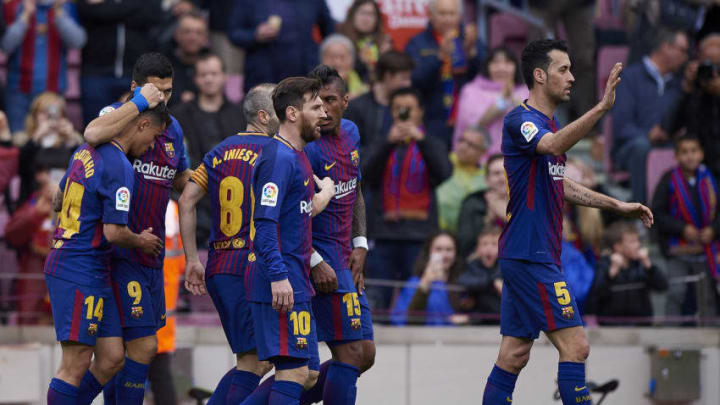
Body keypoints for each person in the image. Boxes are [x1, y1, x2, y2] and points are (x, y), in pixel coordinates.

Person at [481, 39, 653, 405]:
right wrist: (602, 108)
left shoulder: (547, 123)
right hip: (531, 254)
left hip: (530, 253)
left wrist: (616, 205)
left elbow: (560, 181)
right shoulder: (521, 120)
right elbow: (553, 146)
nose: (572, 77)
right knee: (576, 345)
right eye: (564, 69)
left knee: (514, 355)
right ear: (540, 75)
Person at [179, 81, 334, 405]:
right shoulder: (274, 154)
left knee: (279, 365)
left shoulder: (220, 152)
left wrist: (193, 258)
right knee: (269, 365)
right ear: (267, 116)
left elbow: (187, 199)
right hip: (256, 262)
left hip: (221, 262)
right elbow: (272, 220)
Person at [82, 53, 193, 405]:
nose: (163, 99)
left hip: (152, 254)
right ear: (136, 88)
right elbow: (91, 137)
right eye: (156, 92)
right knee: (141, 347)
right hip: (118, 251)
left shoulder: (172, 128)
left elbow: (180, 179)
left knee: (127, 354)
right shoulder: (115, 118)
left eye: (168, 92)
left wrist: (219, 178)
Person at [43, 104, 167, 405]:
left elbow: (59, 199)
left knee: (112, 357)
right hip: (78, 267)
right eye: (154, 136)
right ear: (141, 124)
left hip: (92, 266)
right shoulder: (120, 166)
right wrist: (141, 241)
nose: (152, 145)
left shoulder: (85, 150)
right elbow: (114, 233)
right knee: (75, 362)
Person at [219, 76, 328, 405]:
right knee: (293, 372)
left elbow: (296, 217)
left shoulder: (299, 156)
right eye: (316, 106)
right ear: (293, 114)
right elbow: (264, 225)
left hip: (296, 276)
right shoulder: (278, 159)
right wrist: (279, 276)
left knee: (307, 373)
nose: (324, 113)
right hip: (278, 278)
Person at [293, 64, 375, 404]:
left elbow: (354, 188)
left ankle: (279, 398)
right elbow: (291, 214)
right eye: (316, 102)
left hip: (346, 255)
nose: (323, 110)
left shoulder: (352, 133)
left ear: (345, 100)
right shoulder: (304, 148)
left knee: (364, 353)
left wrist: (360, 242)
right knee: (352, 352)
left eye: (329, 100)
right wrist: (313, 260)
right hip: (319, 258)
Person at [362, 87, 452, 312]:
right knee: (378, 297)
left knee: (416, 295)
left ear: (420, 112)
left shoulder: (431, 142)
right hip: (383, 234)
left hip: (420, 235)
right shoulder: (381, 141)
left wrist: (421, 140)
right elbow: (363, 174)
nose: (403, 114)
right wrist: (387, 143)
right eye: (397, 109)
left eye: (408, 109)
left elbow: (444, 172)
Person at [172, 53, 246, 249]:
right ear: (196, 79)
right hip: (195, 191)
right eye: (203, 74)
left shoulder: (241, 114)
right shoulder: (179, 114)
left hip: (237, 193)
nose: (209, 79)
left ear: (224, 76)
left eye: (214, 73)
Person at [612, 27, 688, 204]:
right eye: (682, 50)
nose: (685, 57)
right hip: (630, 148)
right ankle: (641, 212)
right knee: (642, 146)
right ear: (665, 47)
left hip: (667, 142)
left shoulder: (678, 84)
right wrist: (648, 134)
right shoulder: (630, 77)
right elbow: (621, 125)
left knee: (690, 148)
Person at [652, 135, 720, 325]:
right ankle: (670, 336)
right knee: (677, 292)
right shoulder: (669, 179)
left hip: (707, 249)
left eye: (694, 151)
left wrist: (713, 230)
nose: (690, 156)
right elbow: (657, 213)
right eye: (684, 152)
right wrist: (682, 229)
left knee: (707, 295)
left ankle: (711, 339)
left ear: (701, 154)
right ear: (676, 156)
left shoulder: (711, 178)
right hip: (677, 249)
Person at [405, 0, 485, 145]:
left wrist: (472, 53)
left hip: (466, 121)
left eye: (451, 13)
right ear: (431, 15)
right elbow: (414, 81)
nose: (447, 18)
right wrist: (439, 57)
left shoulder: (469, 39)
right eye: (442, 13)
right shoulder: (417, 43)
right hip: (431, 120)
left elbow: (486, 78)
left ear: (459, 16)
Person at [1, 0, 87, 132]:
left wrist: (59, 15)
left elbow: (78, 41)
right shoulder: (13, 5)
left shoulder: (65, 6)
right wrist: (25, 15)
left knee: (51, 140)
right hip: (18, 90)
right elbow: (6, 45)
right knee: (18, 139)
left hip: (53, 89)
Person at [77, 0, 163, 125]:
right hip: (96, 74)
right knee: (95, 126)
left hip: (136, 75)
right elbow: (86, 10)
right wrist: (131, 8)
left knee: (137, 129)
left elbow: (152, 13)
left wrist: (108, 10)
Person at [227, 1, 334, 93]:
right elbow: (234, 33)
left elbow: (329, 30)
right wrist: (255, 35)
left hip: (305, 79)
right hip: (264, 81)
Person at [663, 33, 720, 178]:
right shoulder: (690, 87)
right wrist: (687, 88)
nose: (711, 73)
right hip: (696, 168)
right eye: (707, 64)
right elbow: (668, 128)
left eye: (717, 66)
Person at [589, 221, 668, 326]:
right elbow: (593, 300)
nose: (638, 245)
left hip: (642, 327)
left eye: (637, 240)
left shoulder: (641, 264)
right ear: (618, 246)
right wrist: (611, 274)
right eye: (632, 242)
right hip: (612, 329)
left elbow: (662, 286)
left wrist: (649, 266)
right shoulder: (604, 265)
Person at [527, 0, 596, 120]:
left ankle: (587, 120)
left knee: (585, 59)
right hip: (542, 4)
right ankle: (536, 117)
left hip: (578, 4)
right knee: (537, 57)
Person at [453, 46, 527, 157]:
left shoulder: (526, 91)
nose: (501, 68)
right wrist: (502, 101)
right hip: (480, 161)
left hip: (518, 160)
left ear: (516, 66)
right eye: (496, 63)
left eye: (507, 63)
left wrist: (513, 98)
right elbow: (472, 126)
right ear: (487, 66)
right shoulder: (472, 90)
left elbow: (534, 124)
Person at [15, 92, 83, 205]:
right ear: (34, 116)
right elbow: (22, 168)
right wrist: (36, 137)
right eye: (43, 113)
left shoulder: (72, 142)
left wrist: (72, 140)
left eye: (55, 113)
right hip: (35, 202)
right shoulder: (24, 141)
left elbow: (83, 170)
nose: (49, 117)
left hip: (66, 200)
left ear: (63, 117)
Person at [344, 50, 414, 153]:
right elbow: (353, 152)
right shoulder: (357, 108)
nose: (408, 84)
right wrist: (387, 142)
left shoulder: (409, 105)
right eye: (404, 78)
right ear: (388, 76)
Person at [390, 231, 463, 326]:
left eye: (449, 250)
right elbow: (404, 320)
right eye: (438, 249)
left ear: (455, 254)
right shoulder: (413, 283)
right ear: (429, 252)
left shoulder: (463, 283)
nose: (444, 254)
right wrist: (426, 281)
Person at [436, 125, 488, 233]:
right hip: (435, 230)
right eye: (461, 140)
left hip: (465, 235)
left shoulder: (486, 177)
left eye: (471, 145)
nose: (463, 146)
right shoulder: (443, 161)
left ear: (483, 152)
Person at [456, 154, 507, 257]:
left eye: (506, 172)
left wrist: (506, 216)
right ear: (487, 180)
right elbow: (464, 245)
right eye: (496, 173)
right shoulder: (473, 203)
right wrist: (487, 220)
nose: (502, 178)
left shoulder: (525, 202)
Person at [337, 0, 393, 83]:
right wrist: (360, 61)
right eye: (362, 13)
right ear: (353, 15)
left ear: (377, 19)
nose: (366, 19)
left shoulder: (384, 42)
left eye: (371, 14)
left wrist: (385, 58)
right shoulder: (340, 40)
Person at [456, 226, 503, 325]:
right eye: (484, 244)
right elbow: (463, 280)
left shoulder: (504, 267)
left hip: (501, 319)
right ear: (478, 248)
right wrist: (492, 281)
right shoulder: (473, 265)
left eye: (494, 244)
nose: (489, 248)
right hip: (478, 319)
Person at [166, 10, 209, 105]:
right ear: (176, 35)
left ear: (205, 38)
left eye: (199, 33)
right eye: (187, 31)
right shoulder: (161, 66)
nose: (193, 37)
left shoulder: (211, 66)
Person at [320, 34, 368, 99]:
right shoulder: (310, 93)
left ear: (352, 61)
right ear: (321, 60)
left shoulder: (364, 93)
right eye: (331, 57)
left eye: (342, 57)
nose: (337, 63)